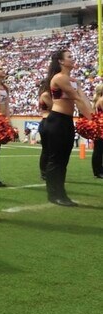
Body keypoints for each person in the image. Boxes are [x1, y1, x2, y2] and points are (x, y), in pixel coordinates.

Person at [43, 48, 91, 207]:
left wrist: (93, 116)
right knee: (56, 159)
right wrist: (91, 119)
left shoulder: (72, 80)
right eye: (69, 57)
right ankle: (54, 194)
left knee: (63, 159)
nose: (73, 58)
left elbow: (83, 98)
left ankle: (61, 193)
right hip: (56, 120)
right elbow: (77, 98)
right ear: (61, 61)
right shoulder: (59, 78)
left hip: (66, 121)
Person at [37, 79, 52, 180]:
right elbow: (54, 107)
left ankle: (47, 171)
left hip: (48, 121)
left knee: (48, 150)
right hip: (47, 121)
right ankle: (44, 172)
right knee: (47, 150)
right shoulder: (45, 95)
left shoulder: (46, 94)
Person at [91, 82, 103, 179]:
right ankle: (98, 170)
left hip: (99, 125)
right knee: (99, 150)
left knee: (98, 149)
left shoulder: (97, 100)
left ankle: (98, 170)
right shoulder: (102, 100)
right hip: (101, 126)